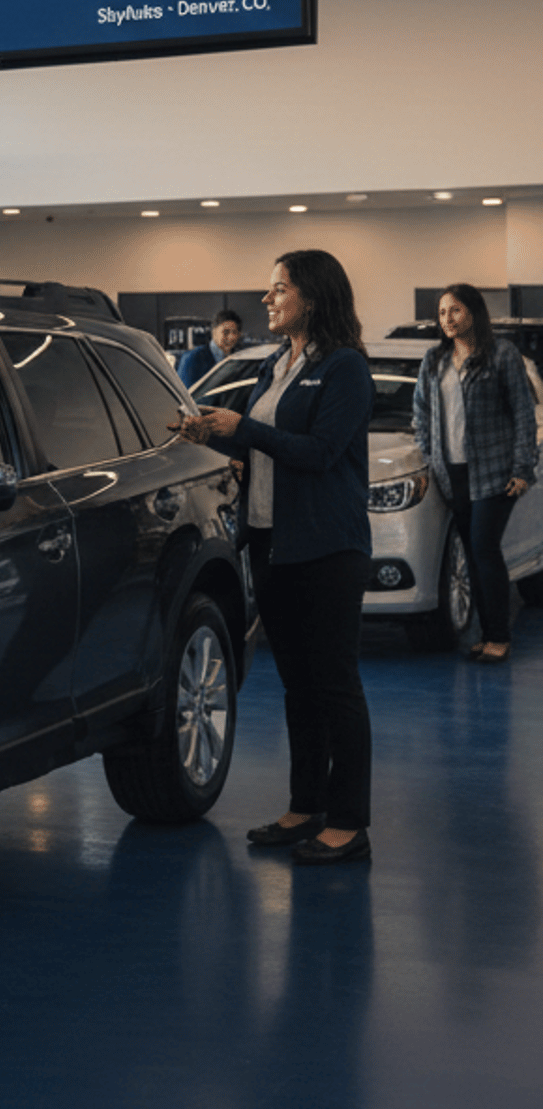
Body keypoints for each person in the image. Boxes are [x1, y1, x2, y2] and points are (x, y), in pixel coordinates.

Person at [182, 250, 375, 865]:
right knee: (296, 686)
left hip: (327, 547)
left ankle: (348, 822)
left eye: (279, 289)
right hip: (271, 542)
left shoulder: (345, 369)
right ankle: (305, 805)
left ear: (312, 298)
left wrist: (244, 429)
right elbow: (267, 448)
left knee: (335, 684)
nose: (267, 300)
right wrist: (222, 438)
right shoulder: (275, 364)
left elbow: (319, 452)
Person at [411, 282, 536, 664]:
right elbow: (421, 415)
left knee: (484, 549)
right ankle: (485, 635)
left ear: (474, 312)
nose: (448, 319)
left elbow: (522, 414)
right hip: (452, 473)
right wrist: (432, 456)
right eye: (443, 312)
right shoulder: (434, 361)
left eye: (456, 310)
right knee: (472, 550)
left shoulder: (501, 355)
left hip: (495, 471)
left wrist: (522, 467)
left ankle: (498, 636)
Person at [177, 308, 244, 387]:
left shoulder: (239, 359)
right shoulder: (192, 358)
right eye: (226, 332)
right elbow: (184, 395)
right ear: (214, 332)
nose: (231, 337)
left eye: (234, 332)